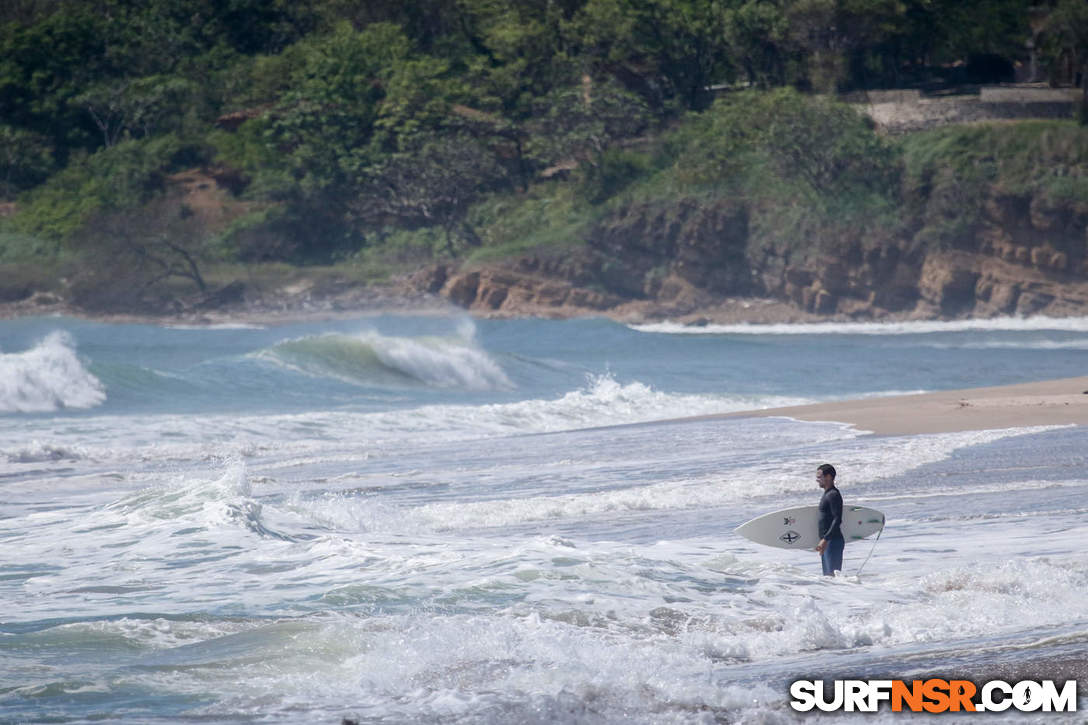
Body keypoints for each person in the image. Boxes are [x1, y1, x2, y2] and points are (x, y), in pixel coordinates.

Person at [815, 463, 844, 576]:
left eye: (819, 477)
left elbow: (837, 519)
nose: (817, 480)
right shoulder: (827, 494)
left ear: (828, 477)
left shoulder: (833, 495)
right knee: (828, 579)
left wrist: (825, 540)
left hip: (833, 541)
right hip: (828, 542)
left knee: (833, 577)